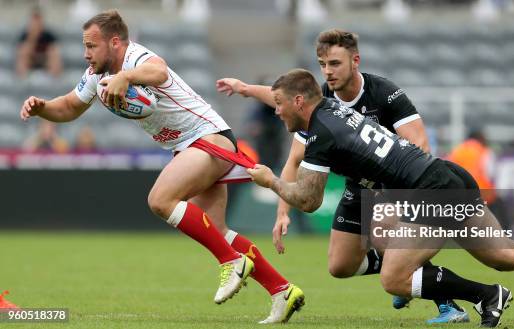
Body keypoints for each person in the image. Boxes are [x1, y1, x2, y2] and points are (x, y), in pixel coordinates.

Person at [247, 68, 514, 327]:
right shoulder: (330, 108)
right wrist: (249, 88)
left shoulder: (321, 134)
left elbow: (308, 200)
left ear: (298, 101)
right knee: (502, 254)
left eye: (278, 104)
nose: (275, 111)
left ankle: (487, 296)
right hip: (445, 175)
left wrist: (271, 181)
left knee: (394, 278)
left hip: (429, 191)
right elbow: (295, 90)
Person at [19, 10, 303, 324]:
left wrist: (127, 76)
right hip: (192, 146)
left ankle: (231, 262)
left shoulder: (135, 58)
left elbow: (159, 71)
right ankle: (282, 289)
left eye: (92, 46)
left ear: (115, 42)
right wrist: (42, 107)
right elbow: (70, 107)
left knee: (160, 200)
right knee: (218, 231)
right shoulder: (95, 75)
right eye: (85, 46)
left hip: (208, 139)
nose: (86, 53)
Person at [217, 29, 468, 323]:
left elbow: (420, 145)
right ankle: (403, 270)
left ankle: (447, 303)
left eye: (334, 63)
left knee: (385, 231)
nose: (327, 71)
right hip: (357, 185)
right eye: (322, 64)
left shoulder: (383, 92)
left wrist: (394, 194)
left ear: (355, 61)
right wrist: (282, 212)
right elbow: (294, 158)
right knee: (340, 265)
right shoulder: (317, 101)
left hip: (393, 182)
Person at [15, 8, 63, 79]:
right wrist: (32, 37)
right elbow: (22, 52)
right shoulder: (24, 36)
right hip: (31, 61)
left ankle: (53, 80)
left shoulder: (49, 36)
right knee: (24, 50)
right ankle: (22, 79)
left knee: (53, 52)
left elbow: (54, 51)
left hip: (45, 61)